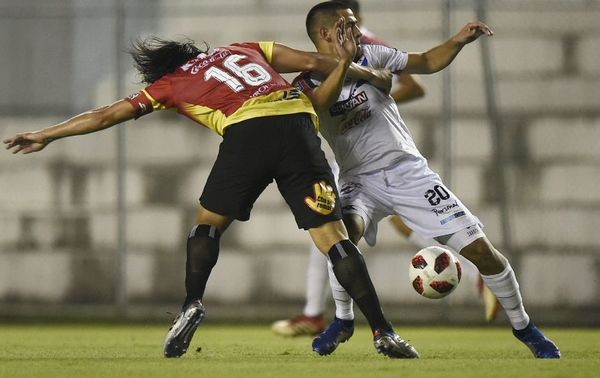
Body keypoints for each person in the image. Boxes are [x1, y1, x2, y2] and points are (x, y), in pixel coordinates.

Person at [4, 21, 420, 359]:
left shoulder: (168, 84)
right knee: (334, 238)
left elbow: (108, 113)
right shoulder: (247, 46)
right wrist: (372, 74)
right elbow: (316, 61)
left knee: (207, 225)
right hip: (297, 120)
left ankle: (192, 303)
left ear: (166, 67)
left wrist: (48, 134)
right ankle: (383, 331)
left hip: (247, 132)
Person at [288, 1, 560, 359]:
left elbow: (427, 61)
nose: (358, 29)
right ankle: (343, 319)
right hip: (359, 180)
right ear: (326, 33)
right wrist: (345, 64)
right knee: (341, 240)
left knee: (482, 251)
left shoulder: (371, 54)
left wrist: (459, 40)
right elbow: (322, 103)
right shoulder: (306, 81)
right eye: (349, 24)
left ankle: (525, 328)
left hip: (409, 173)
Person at [271, 0, 498, 339]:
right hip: (352, 159)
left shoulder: (366, 45)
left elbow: (414, 82)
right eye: (348, 20)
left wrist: (366, 104)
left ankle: (317, 314)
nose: (354, 25)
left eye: (353, 19)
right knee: (338, 230)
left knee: (335, 232)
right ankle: (319, 313)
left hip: (382, 155)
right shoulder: (327, 56)